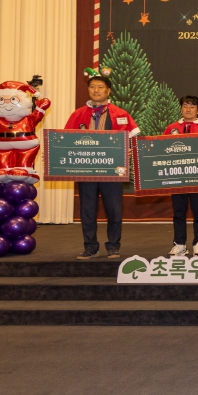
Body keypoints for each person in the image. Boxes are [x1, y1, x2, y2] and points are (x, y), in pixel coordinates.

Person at [64, 70, 139, 260]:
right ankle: (90, 247)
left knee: (114, 210)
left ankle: (113, 246)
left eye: (100, 87)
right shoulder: (78, 114)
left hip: (112, 171)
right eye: (92, 87)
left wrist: (129, 150)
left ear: (108, 91)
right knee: (87, 211)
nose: (96, 90)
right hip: (86, 170)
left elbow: (134, 139)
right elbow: (65, 140)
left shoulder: (120, 114)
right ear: (88, 90)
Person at [164, 95, 198, 258]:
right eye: (185, 106)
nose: (188, 109)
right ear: (181, 109)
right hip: (177, 178)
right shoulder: (171, 128)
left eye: (192, 107)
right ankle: (179, 244)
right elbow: (161, 150)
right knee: (179, 212)